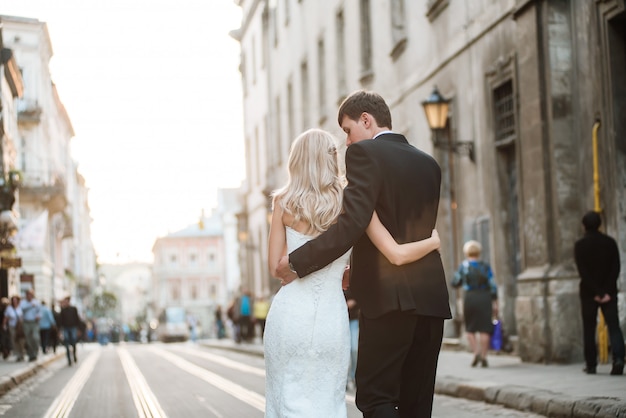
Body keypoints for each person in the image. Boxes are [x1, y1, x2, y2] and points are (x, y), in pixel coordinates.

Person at [276, 91, 451, 418]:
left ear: (366, 120)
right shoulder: (430, 164)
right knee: (418, 404)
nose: (347, 141)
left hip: (389, 301)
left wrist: (297, 263)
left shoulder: (365, 154)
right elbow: (400, 223)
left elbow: (352, 223)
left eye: (347, 130)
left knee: (375, 398)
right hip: (431, 300)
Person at [574, 211, 624, 376]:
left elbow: (583, 272)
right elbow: (615, 268)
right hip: (609, 293)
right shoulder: (610, 243)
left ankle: (591, 364)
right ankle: (618, 360)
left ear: (584, 226)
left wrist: (596, 292)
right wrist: (606, 291)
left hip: (589, 294)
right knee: (614, 327)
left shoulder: (580, 245)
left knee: (589, 328)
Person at [451, 240, 498, 368]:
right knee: (484, 328)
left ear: (466, 252)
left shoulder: (463, 266)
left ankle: (475, 352)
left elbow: (455, 282)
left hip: (470, 298)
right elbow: (493, 285)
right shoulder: (485, 266)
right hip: (484, 297)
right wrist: (495, 302)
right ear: (479, 252)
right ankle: (484, 356)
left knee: (470, 328)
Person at [344, 282, 360, 392]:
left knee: (354, 349)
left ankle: (352, 377)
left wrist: (354, 302)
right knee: (344, 352)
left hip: (354, 320)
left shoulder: (356, 281)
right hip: (341, 320)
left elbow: (363, 297)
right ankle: (344, 379)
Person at [20, 289, 41, 362]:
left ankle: (35, 353)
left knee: (35, 338)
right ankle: (31, 355)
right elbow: (21, 310)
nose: (29, 296)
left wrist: (38, 316)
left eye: (30, 294)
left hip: (34, 322)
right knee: (28, 340)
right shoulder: (23, 303)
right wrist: (30, 305)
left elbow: (39, 311)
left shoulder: (36, 302)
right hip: (26, 322)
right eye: (28, 294)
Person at [59, 296, 81, 366]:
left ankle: (74, 355)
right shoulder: (63, 310)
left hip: (73, 327)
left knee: (73, 342)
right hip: (66, 328)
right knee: (66, 343)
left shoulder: (73, 309)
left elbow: (77, 319)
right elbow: (60, 321)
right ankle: (69, 359)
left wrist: (78, 329)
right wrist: (60, 330)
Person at [3, 295, 25, 361]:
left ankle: (22, 353)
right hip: (12, 326)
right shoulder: (9, 308)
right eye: (13, 300)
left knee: (21, 340)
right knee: (14, 340)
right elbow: (6, 317)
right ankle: (18, 355)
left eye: (16, 300)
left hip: (20, 327)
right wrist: (4, 325)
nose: (14, 301)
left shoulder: (21, 307)